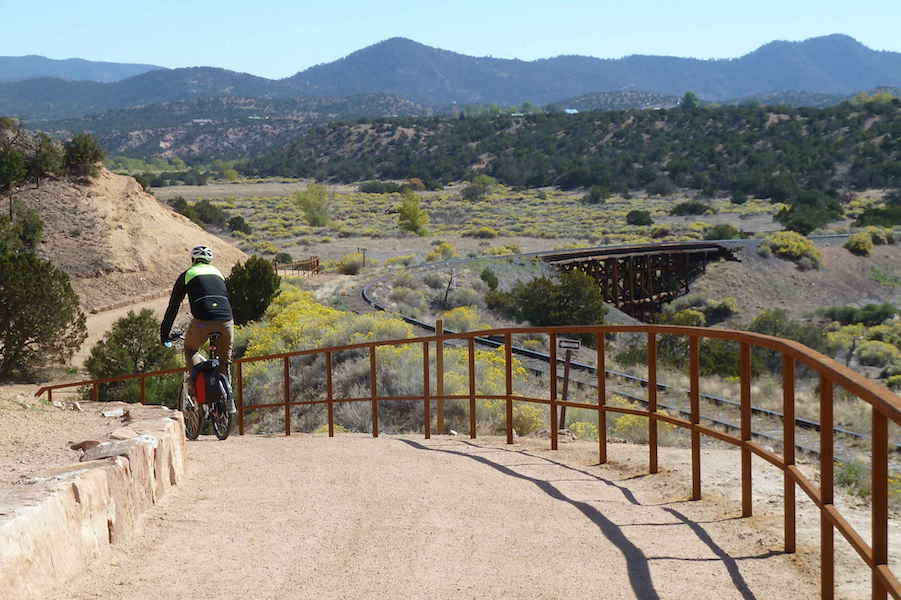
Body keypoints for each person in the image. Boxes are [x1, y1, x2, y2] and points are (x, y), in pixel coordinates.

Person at [160, 245, 235, 413]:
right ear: (210, 261)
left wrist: (164, 335)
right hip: (226, 321)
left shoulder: (187, 274)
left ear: (193, 260)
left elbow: (173, 307)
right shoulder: (218, 274)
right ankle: (229, 398)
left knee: (190, 348)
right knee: (224, 362)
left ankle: (195, 392)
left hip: (202, 320)